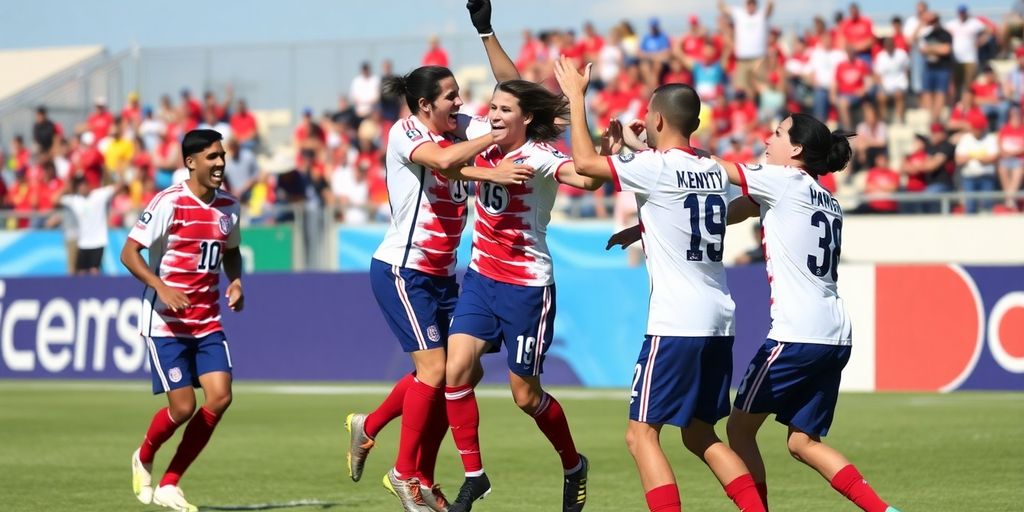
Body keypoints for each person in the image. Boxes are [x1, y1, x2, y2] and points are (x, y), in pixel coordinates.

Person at [554, 56, 766, 512]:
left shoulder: (656, 167)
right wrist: (649, 225)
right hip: (718, 318)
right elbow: (740, 208)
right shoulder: (712, 168)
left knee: (641, 434)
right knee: (698, 433)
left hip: (676, 322)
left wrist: (575, 96)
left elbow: (586, 165)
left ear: (657, 118)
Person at [345, 3, 531, 511]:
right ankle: (406, 476)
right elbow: (446, 161)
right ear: (425, 105)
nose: (460, 103)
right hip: (403, 272)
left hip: (445, 275)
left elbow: (515, 98)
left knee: (457, 377)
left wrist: (487, 34)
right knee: (433, 372)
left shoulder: (461, 127)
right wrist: (493, 151)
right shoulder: (406, 132)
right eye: (451, 98)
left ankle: (381, 434)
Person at [712, 113, 900, 512]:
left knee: (739, 429)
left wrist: (656, 151)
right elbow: (742, 209)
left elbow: (712, 169)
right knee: (802, 442)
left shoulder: (781, 181)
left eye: (777, 133)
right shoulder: (826, 199)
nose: (766, 138)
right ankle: (885, 511)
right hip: (835, 333)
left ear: (795, 149)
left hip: (796, 334)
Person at [443, 76, 611, 512]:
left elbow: (588, 181)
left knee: (525, 396)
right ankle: (474, 477)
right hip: (480, 278)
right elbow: (442, 156)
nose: (494, 116)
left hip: (526, 288)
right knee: (455, 370)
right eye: (492, 108)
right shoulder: (481, 136)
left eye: (504, 110)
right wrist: (486, 31)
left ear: (527, 118)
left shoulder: (539, 155)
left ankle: (574, 465)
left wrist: (580, 105)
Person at [122, 129, 244, 512]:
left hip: (207, 319)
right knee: (183, 408)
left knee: (221, 397)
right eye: (211, 157)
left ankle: (171, 483)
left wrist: (237, 280)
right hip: (166, 324)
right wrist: (161, 287)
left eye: (222, 156)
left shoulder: (229, 206)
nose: (220, 163)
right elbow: (129, 253)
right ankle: (143, 454)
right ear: (190, 163)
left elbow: (232, 251)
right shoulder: (169, 202)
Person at [58, 173, 116, 275]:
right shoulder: (76, 200)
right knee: (81, 273)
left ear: (88, 184)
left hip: (98, 241)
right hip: (83, 242)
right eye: (79, 185)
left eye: (83, 184)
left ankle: (96, 290)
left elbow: (116, 188)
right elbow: (55, 199)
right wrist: (68, 186)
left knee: (94, 271)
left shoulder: (99, 195)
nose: (82, 187)